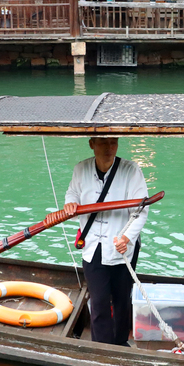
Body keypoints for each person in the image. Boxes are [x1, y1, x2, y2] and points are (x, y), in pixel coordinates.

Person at [62, 137, 148, 345]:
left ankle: (119, 344)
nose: (109, 147)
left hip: (122, 245)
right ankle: (101, 348)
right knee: (99, 301)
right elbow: (72, 193)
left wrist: (127, 238)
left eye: (113, 142)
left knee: (121, 299)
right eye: (103, 142)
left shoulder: (131, 170)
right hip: (93, 246)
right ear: (92, 144)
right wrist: (71, 204)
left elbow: (141, 209)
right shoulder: (81, 169)